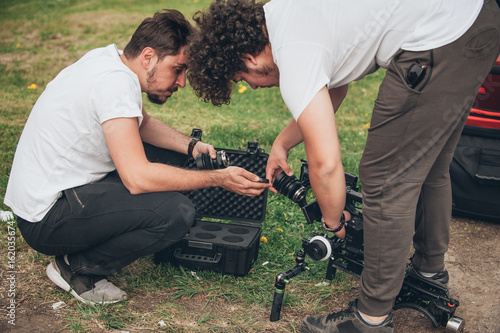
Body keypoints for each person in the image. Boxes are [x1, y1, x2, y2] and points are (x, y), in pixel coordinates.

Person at [186, 0, 500, 331]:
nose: (251, 86)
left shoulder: (292, 51)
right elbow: (335, 89)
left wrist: (335, 221)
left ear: (249, 59)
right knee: (431, 167)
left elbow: (326, 164)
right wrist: (282, 143)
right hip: (476, 20)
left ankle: (371, 318)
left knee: (383, 180)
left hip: (436, 38)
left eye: (242, 78)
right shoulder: (287, 16)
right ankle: (429, 274)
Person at [4, 9, 270, 305]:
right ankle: (76, 268)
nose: (181, 82)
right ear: (148, 57)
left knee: (173, 159)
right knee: (176, 213)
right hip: (46, 219)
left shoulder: (108, 62)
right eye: (178, 69)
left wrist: (191, 146)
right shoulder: (115, 84)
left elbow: (140, 123)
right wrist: (217, 179)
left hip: (57, 196)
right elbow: (137, 178)